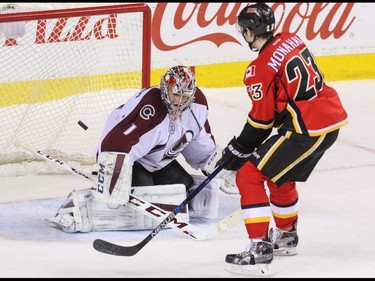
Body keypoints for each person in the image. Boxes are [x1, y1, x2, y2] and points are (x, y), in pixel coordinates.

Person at [217, 3, 349, 276]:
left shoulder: (258, 69)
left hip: (305, 129)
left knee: (249, 176)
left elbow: (262, 120)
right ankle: (286, 236)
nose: (243, 34)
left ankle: (259, 251)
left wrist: (238, 148)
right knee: (279, 174)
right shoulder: (291, 39)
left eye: (244, 29)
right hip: (329, 121)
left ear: (251, 31)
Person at [47, 65, 234, 233]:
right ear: (165, 90)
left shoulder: (197, 106)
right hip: (128, 160)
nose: (178, 101)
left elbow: (200, 147)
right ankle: (77, 204)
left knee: (184, 190)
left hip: (159, 162)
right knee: (145, 196)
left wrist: (224, 169)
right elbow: (114, 144)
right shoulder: (150, 107)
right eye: (175, 95)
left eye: (184, 97)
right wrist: (112, 183)